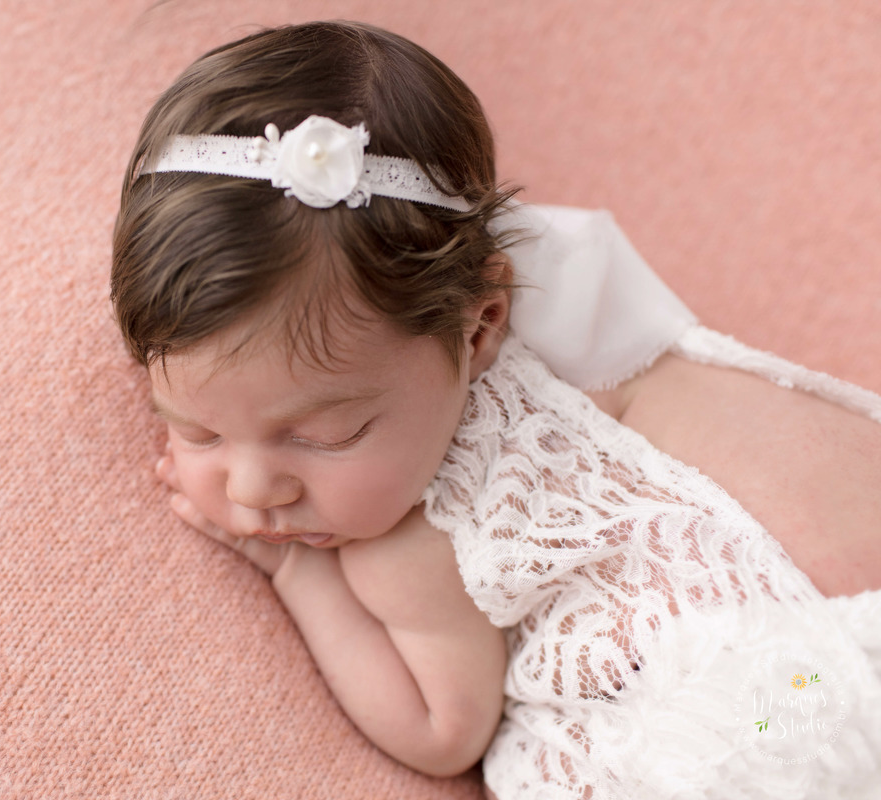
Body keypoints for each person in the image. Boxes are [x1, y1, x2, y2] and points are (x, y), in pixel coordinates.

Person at [110, 20, 881, 800]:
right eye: (196, 429)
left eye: (324, 435)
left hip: (790, 709)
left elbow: (443, 730)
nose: (251, 489)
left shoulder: (409, 542)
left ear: (482, 326)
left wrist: (297, 572)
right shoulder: (574, 322)